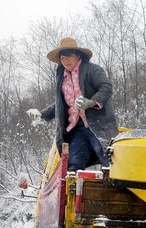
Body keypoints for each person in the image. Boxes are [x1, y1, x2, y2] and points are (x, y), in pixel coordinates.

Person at [27, 37, 118, 171]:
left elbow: (106, 87)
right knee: (73, 163)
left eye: (69, 56)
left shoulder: (93, 70)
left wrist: (91, 102)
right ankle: (74, 191)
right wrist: (42, 115)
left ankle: (117, 189)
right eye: (62, 58)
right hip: (77, 127)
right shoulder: (62, 79)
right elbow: (60, 104)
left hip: (98, 124)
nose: (66, 60)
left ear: (78, 55)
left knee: (108, 158)